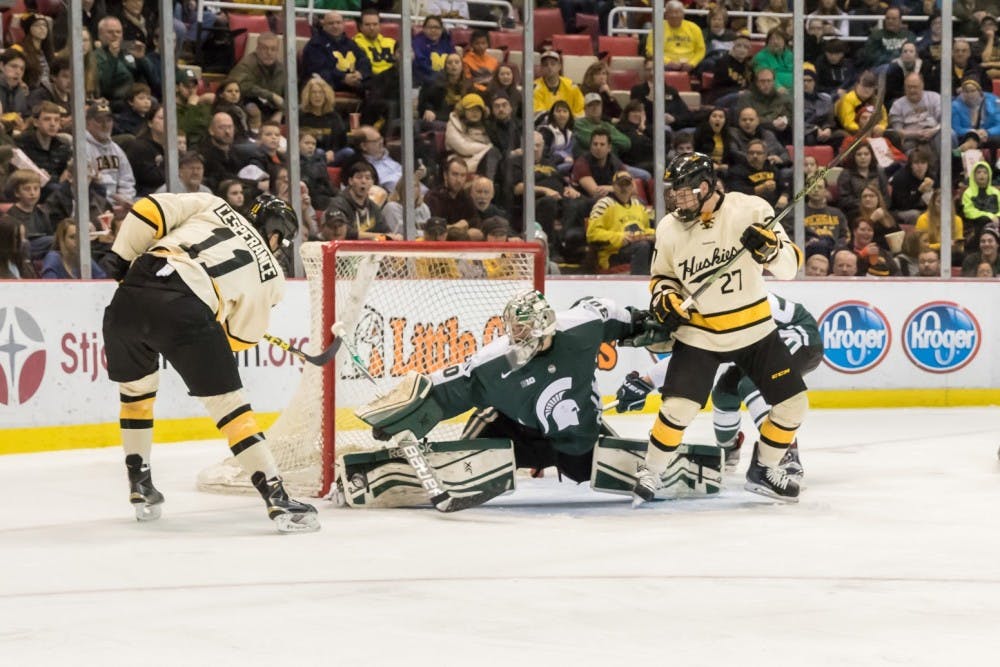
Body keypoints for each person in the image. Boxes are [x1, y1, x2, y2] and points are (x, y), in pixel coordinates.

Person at [99, 192, 319, 533]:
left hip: (131, 294)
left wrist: (121, 257)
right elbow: (241, 339)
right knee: (233, 412)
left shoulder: (211, 204)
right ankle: (277, 497)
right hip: (188, 310)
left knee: (136, 397)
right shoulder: (273, 274)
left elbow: (147, 210)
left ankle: (140, 486)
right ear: (275, 236)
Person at [631, 152, 807, 505]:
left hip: (754, 329)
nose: (677, 200)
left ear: (707, 186)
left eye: (684, 192)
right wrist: (664, 297)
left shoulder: (752, 210)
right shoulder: (669, 228)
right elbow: (662, 277)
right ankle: (651, 471)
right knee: (677, 409)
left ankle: (765, 469)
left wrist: (770, 250)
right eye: (674, 193)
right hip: (700, 333)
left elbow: (789, 267)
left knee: (793, 405)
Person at [364, 290, 652, 487]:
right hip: (517, 437)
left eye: (524, 329)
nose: (517, 336)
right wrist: (409, 415)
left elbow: (619, 318)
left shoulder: (580, 327)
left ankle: (654, 462)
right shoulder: (499, 361)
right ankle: (440, 469)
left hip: (578, 437)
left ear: (545, 325)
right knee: (479, 440)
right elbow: (451, 387)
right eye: (515, 329)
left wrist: (648, 324)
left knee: (608, 471)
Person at [615, 292, 822, 480]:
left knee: (751, 385)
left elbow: (694, 356)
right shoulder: (695, 306)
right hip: (756, 340)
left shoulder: (711, 309)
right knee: (725, 393)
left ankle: (786, 453)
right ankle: (727, 452)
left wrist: (646, 381)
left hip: (798, 334)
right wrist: (645, 382)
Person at [585, 170, 654, 274]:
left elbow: (645, 228)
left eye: (627, 184)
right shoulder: (604, 205)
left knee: (659, 243)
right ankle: (639, 283)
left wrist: (653, 234)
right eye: (620, 184)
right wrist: (620, 237)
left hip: (637, 245)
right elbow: (592, 234)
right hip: (614, 253)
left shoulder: (638, 206)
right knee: (642, 246)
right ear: (613, 187)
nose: (624, 188)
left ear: (632, 187)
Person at [645, 0, 705, 72]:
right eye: (671, 12)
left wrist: (692, 63)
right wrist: (668, 62)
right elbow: (650, 50)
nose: (674, 15)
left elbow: (701, 50)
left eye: (677, 12)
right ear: (666, 14)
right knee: (654, 67)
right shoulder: (657, 28)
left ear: (683, 14)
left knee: (706, 66)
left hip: (690, 64)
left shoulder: (694, 28)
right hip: (665, 64)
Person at [41, 218, 108, 279]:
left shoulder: (84, 258)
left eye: (81, 236)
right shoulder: (53, 257)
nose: (78, 241)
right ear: (62, 239)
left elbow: (102, 281)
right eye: (73, 237)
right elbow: (50, 288)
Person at [533, 50, 585, 117]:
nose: (549, 67)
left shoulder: (571, 86)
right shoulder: (534, 88)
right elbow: (538, 114)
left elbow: (580, 110)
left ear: (559, 66)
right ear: (541, 68)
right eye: (545, 64)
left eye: (553, 64)